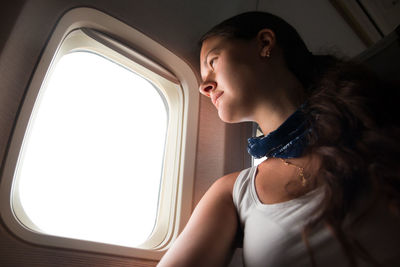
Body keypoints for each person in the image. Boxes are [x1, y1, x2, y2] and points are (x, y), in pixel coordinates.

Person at [157, 12, 400, 267]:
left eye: (213, 61)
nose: (203, 85)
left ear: (264, 44)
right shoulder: (233, 192)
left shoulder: (377, 120)